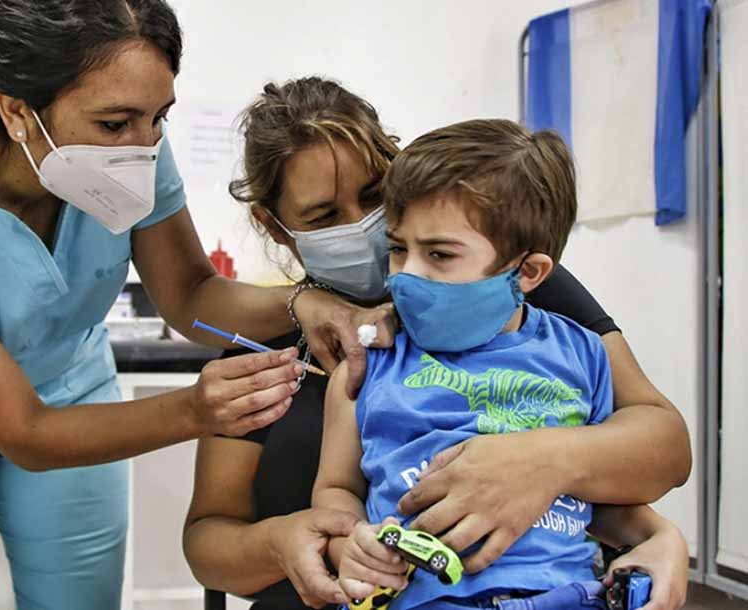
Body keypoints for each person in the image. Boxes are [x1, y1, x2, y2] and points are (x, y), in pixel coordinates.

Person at [0, 4, 390, 609]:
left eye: (158, 118)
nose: (142, 147)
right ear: (16, 111)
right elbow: (26, 432)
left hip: (69, 389)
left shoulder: (132, 148)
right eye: (115, 123)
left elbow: (191, 294)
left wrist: (304, 304)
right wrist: (195, 410)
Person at [184, 78, 691, 610]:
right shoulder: (282, 350)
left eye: (374, 196)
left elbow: (661, 443)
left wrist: (645, 527)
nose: (365, 229)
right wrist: (293, 541)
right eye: (325, 216)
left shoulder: (517, 297)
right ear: (274, 226)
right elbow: (209, 541)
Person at [314, 118, 686, 610]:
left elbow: (595, 498)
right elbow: (336, 490)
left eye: (440, 254)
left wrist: (655, 536)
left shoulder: (583, 356)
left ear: (527, 272)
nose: (406, 276)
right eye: (399, 248)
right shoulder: (365, 370)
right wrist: (350, 547)